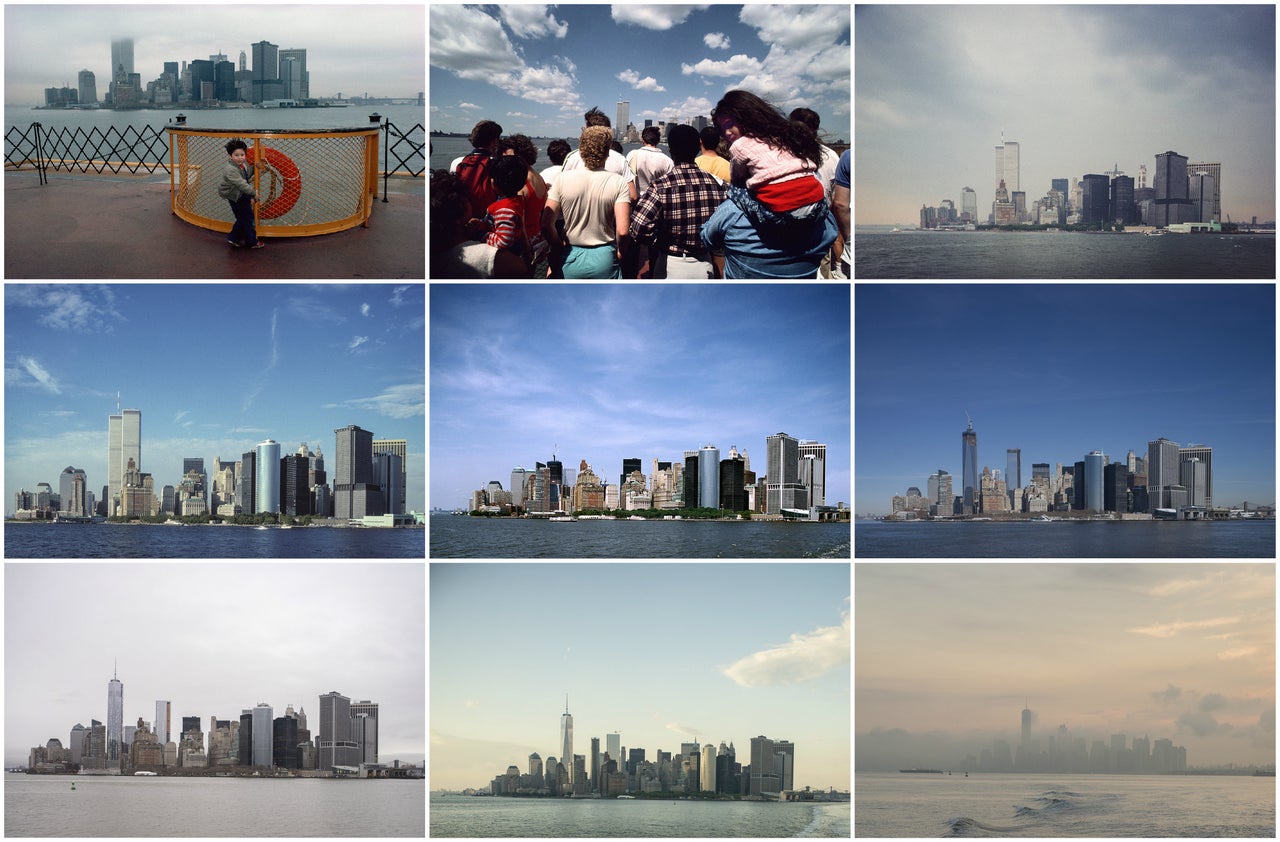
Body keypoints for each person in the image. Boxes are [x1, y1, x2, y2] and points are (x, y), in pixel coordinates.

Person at [712, 90, 826, 229]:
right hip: (818, 204)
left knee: (735, 189)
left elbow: (737, 176)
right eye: (723, 129)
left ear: (745, 118)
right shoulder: (782, 135)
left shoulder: (740, 145)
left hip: (783, 213)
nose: (727, 133)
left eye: (729, 124)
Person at [630, 125, 726, 279]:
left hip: (670, 262)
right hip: (705, 261)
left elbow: (638, 227)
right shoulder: (718, 185)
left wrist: (657, 241)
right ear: (698, 147)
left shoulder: (661, 186)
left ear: (671, 150)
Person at [541, 125, 630, 279]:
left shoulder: (562, 179)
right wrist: (621, 251)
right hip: (604, 256)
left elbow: (546, 224)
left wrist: (558, 246)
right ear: (607, 152)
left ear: (581, 150)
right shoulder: (619, 182)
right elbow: (623, 231)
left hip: (571, 254)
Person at [431, 170, 529, 278]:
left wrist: (481, 226)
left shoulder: (434, 251)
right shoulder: (488, 257)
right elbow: (521, 269)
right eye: (467, 199)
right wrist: (483, 234)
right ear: (459, 209)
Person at [560, 107, 638, 202]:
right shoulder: (620, 159)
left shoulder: (572, 157)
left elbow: (561, 190)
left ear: (588, 131)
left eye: (584, 129)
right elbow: (633, 195)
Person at [471, 155, 532, 265]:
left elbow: (503, 242)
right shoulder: (515, 202)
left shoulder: (504, 209)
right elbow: (499, 225)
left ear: (493, 183)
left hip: (502, 258)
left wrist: (482, 235)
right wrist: (481, 224)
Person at [505, 134, 550, 278]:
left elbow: (519, 221)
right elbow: (541, 212)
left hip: (523, 243)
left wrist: (526, 250)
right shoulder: (538, 177)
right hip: (536, 237)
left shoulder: (522, 181)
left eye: (507, 156)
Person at [450, 119, 503, 213]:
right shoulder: (496, 165)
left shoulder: (458, 162)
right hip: (484, 219)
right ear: (494, 141)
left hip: (461, 215)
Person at [218, 139, 262, 248]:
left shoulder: (243, 165)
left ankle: (234, 238)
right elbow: (241, 183)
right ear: (230, 156)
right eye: (236, 155)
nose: (240, 158)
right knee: (247, 218)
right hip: (235, 196)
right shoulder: (230, 169)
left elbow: (246, 175)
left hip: (241, 192)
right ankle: (252, 242)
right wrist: (253, 193)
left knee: (243, 218)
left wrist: (255, 168)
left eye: (242, 155)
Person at [626, 127, 674, 197]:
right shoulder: (668, 161)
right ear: (658, 140)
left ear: (642, 140)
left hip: (635, 201)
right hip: (658, 202)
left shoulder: (632, 155)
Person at [830, 149, 851, 278]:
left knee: (838, 238)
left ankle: (838, 269)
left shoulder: (848, 156)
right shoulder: (832, 155)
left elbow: (840, 204)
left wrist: (849, 237)